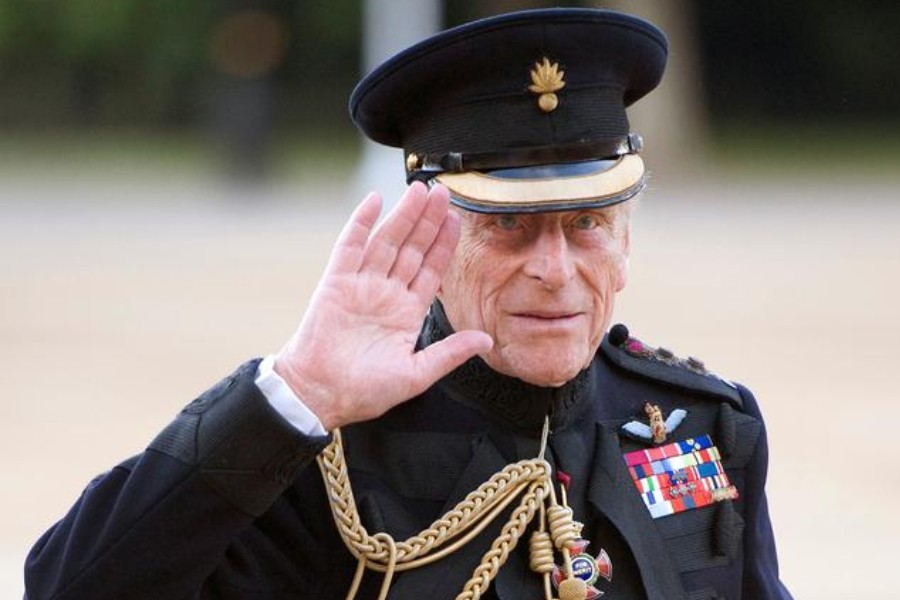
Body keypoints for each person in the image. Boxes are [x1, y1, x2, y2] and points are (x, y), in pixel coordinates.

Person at [24, 8, 793, 600]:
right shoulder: (320, 450)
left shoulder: (703, 429)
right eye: (509, 227)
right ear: (431, 234)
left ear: (625, 245)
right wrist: (295, 395)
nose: (555, 270)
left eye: (587, 224)